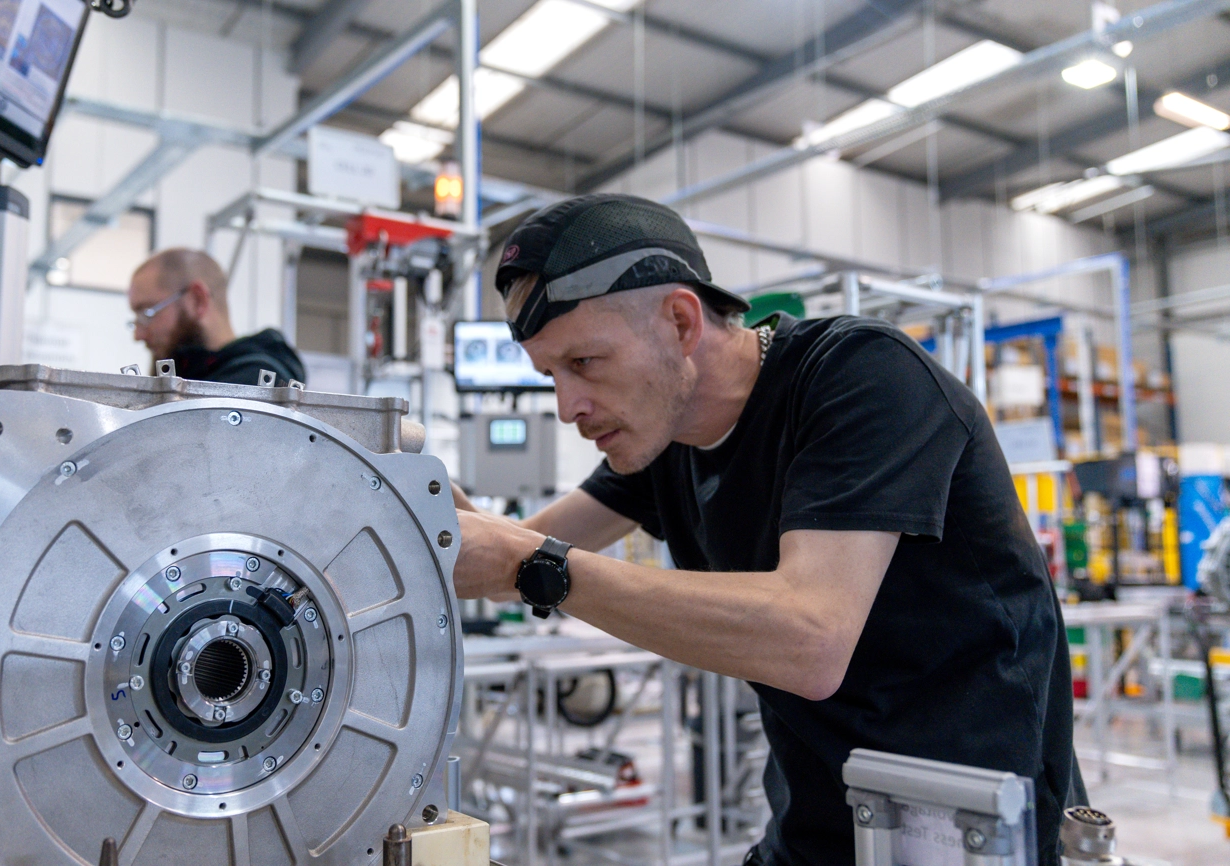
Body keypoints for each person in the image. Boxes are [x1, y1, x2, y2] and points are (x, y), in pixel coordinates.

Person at [452, 193, 1083, 865]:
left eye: (584, 363)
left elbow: (808, 640)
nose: (567, 406)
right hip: (815, 830)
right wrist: (420, 510)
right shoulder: (664, 444)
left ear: (680, 321)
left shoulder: (860, 377)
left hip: (971, 831)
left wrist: (532, 564)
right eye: (550, 375)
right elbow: (511, 552)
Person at [127, 247, 305, 386]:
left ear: (198, 300)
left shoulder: (255, 386)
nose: (138, 335)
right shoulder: (189, 375)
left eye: (147, 313)